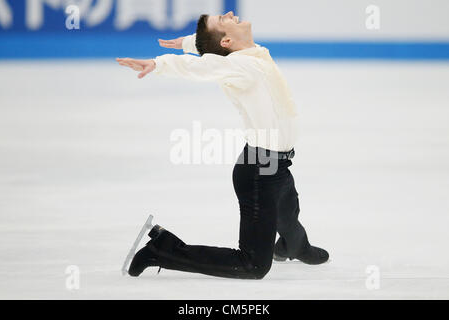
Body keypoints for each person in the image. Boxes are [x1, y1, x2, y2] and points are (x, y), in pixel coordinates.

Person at [116, 11, 329, 280]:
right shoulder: (240, 66)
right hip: (258, 172)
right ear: (227, 41)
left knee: (287, 211)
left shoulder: (252, 53)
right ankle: (163, 249)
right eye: (223, 19)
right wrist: (160, 64)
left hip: (276, 163)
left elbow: (218, 48)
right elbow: (203, 67)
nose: (229, 13)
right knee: (253, 265)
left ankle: (294, 245)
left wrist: (190, 43)